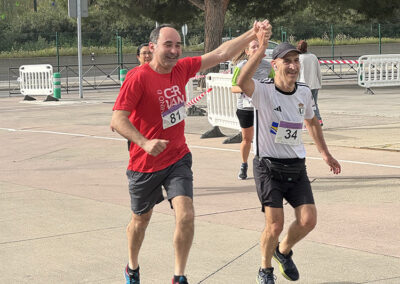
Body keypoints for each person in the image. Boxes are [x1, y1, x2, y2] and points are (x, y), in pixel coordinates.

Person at [110, 21, 272, 284]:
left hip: (177, 158)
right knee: (140, 221)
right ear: (152, 47)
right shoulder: (138, 78)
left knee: (186, 215)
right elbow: (117, 120)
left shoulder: (182, 68)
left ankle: (179, 276)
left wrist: (253, 34)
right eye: (168, 45)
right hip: (145, 163)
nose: (175, 50)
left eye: (178, 45)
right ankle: (132, 266)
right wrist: (144, 142)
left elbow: (221, 53)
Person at [237, 30, 341, 284]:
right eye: (287, 61)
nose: (293, 66)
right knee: (275, 225)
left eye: (296, 60)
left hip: (296, 167)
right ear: (275, 65)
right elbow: (241, 82)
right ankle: (265, 269)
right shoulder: (262, 91)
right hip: (268, 167)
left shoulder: (304, 92)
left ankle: (282, 251)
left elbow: (313, 124)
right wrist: (260, 50)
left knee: (308, 220)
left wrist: (325, 154)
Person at [231, 39, 275, 180]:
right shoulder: (242, 66)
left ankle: (265, 164)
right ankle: (244, 165)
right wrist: (249, 89)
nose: (256, 49)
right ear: (247, 51)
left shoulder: (267, 66)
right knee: (247, 138)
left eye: (258, 46)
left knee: (266, 138)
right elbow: (233, 87)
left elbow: (274, 84)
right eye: (253, 47)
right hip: (246, 108)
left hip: (263, 107)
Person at [125, 44, 153, 151]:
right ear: (138, 57)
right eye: (144, 53)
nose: (147, 56)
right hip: (136, 126)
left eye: (149, 53)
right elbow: (125, 99)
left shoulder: (161, 72)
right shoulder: (132, 74)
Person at [297, 40, 323, 126]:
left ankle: (303, 122)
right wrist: (320, 83)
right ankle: (319, 120)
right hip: (314, 84)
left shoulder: (299, 58)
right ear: (307, 47)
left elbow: (297, 73)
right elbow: (318, 71)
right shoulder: (313, 57)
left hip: (302, 84)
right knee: (314, 104)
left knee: (301, 104)